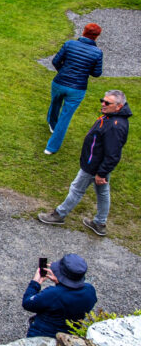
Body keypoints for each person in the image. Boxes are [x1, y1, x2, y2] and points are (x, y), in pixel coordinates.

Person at [38, 91, 131, 237]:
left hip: (93, 166)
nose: (103, 104)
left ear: (118, 106)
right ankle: (99, 223)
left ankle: (59, 215)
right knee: (102, 192)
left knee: (76, 189)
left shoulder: (115, 126)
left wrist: (101, 173)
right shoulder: (112, 117)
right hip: (97, 164)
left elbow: (113, 155)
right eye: (102, 100)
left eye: (107, 103)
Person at [45, 23, 103, 155]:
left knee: (55, 102)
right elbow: (96, 73)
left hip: (59, 82)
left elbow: (56, 61)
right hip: (77, 88)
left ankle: (52, 124)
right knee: (65, 117)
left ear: (84, 31)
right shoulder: (97, 52)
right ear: (97, 36)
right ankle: (51, 148)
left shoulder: (69, 44)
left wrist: (62, 72)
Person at [22, 254, 96, 338]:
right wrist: (60, 283)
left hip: (42, 336)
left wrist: (35, 282)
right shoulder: (90, 290)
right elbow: (69, 296)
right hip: (69, 336)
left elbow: (27, 303)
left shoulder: (53, 294)